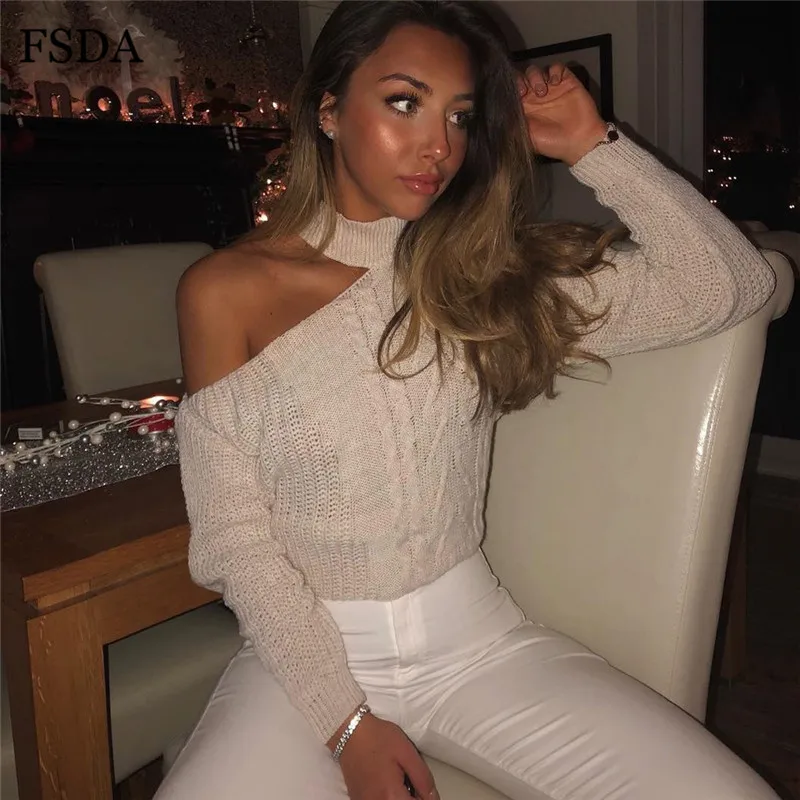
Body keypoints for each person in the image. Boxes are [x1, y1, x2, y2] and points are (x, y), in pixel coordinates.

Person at [156, 2, 779, 799]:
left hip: (477, 648)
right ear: (328, 109)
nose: (439, 147)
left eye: (459, 116)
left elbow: (729, 285)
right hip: (299, 667)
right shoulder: (222, 291)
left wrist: (592, 145)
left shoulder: (478, 277)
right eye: (404, 102)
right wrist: (344, 721)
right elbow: (233, 540)